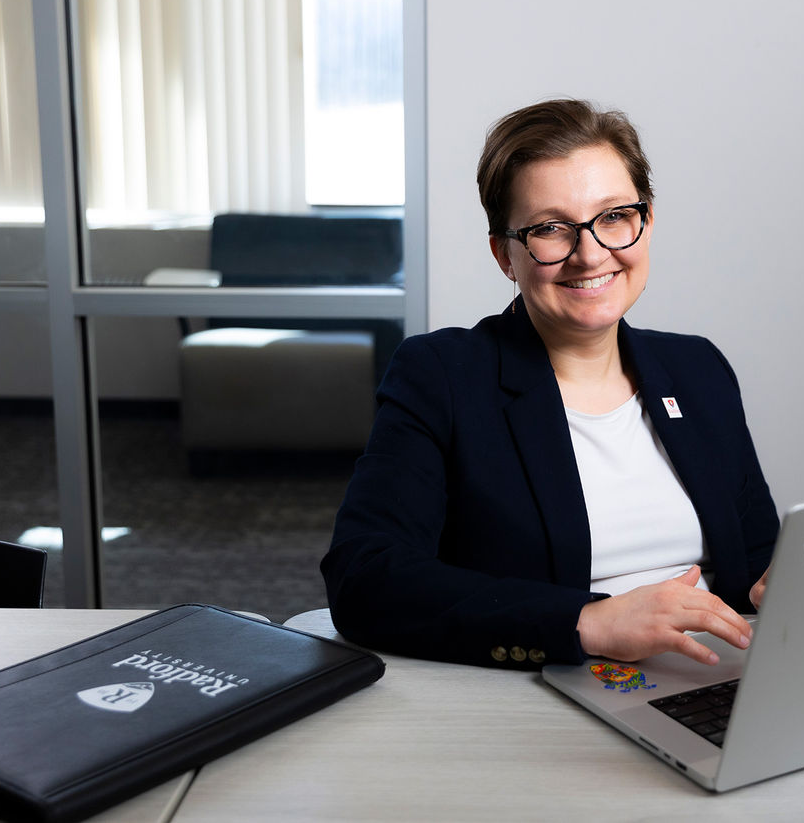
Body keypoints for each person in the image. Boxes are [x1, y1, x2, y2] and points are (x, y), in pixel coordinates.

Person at [322, 99, 778, 669]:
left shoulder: (698, 368)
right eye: (550, 229)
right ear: (504, 255)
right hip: (559, 685)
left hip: (715, 678)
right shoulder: (442, 376)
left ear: (647, 222)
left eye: (614, 217)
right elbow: (364, 578)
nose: (590, 255)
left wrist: (784, 585)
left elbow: (757, 559)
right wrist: (587, 620)